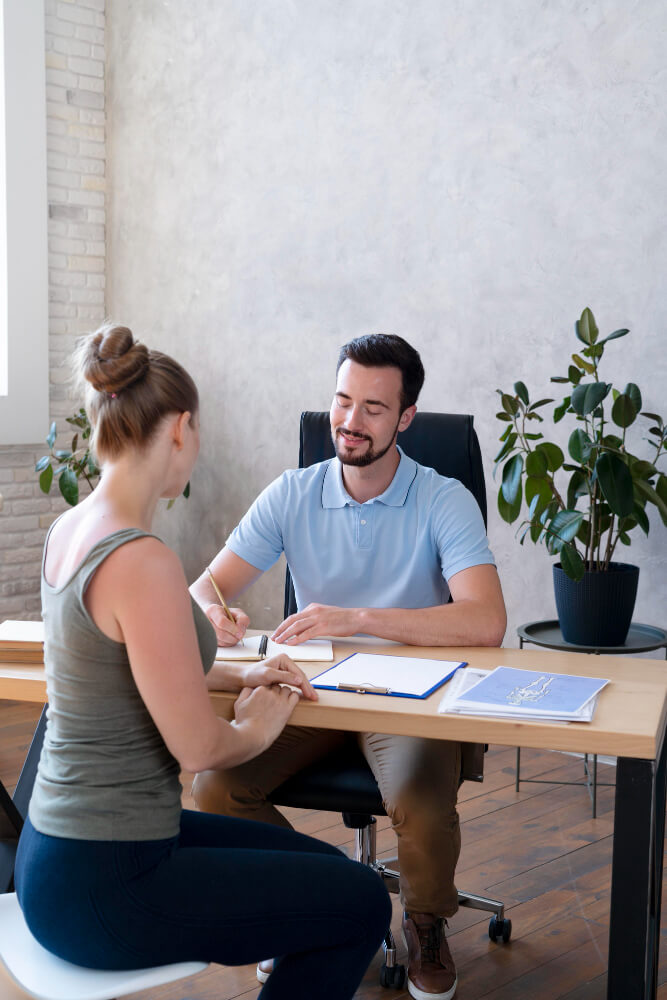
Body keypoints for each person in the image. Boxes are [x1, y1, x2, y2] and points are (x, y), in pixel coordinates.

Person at [15, 324, 391, 1000]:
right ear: (182, 428)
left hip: (63, 854)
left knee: (330, 874)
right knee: (359, 904)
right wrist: (261, 722)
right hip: (108, 883)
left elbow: (129, 663)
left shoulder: (70, 528)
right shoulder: (140, 558)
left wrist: (241, 673)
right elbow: (199, 749)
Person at [191, 333, 507, 1000]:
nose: (349, 422)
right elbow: (205, 586)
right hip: (306, 690)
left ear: (405, 418)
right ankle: (317, 899)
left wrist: (358, 618)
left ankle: (424, 923)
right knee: (215, 784)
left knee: (420, 798)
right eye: (341, 402)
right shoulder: (292, 492)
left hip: (406, 696)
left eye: (371, 407)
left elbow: (484, 620)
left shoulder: (442, 498)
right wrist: (212, 614)